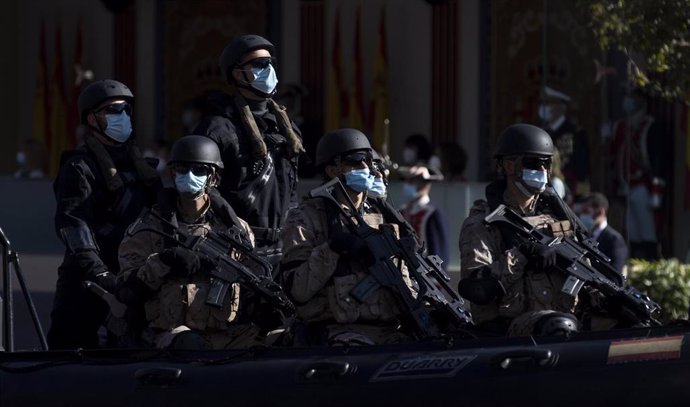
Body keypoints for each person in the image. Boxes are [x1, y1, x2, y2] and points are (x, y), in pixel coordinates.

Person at [115, 135, 263, 350]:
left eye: (199, 170)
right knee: (191, 344)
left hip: (226, 334)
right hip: (170, 335)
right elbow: (127, 289)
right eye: (182, 170)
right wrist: (164, 261)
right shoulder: (150, 227)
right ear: (172, 173)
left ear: (213, 178)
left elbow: (252, 283)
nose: (189, 176)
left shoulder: (237, 230)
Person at [47, 79, 161, 349]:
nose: (121, 116)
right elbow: (74, 224)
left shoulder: (143, 169)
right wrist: (99, 274)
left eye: (125, 110)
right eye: (112, 111)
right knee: (69, 355)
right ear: (92, 119)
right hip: (88, 281)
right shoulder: (79, 167)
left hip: (133, 279)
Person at [280, 128, 414, 346]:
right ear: (333, 170)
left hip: (390, 331)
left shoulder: (382, 215)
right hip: (338, 334)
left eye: (369, 161)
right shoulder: (306, 218)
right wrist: (331, 249)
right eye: (356, 161)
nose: (366, 168)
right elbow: (298, 290)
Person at [458, 123, 588, 337]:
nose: (544, 171)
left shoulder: (558, 220)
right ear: (509, 166)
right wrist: (523, 254)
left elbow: (584, 268)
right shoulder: (484, 223)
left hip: (565, 317)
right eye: (535, 163)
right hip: (508, 328)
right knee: (559, 325)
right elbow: (478, 288)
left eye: (547, 163)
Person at [195, 34, 304, 269]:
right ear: (237, 73)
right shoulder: (218, 127)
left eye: (270, 63)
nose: (269, 69)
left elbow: (292, 186)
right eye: (260, 65)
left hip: (283, 248)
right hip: (236, 248)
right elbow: (202, 187)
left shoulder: (286, 126)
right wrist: (232, 222)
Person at [609, 89, 670, 260]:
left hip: (644, 185)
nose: (629, 101)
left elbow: (659, 159)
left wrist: (657, 191)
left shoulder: (650, 125)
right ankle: (637, 263)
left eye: (633, 98)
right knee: (632, 231)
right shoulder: (621, 126)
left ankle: (651, 260)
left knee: (647, 230)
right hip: (625, 186)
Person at [537, 86, 590, 200]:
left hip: (568, 187)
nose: (545, 108)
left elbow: (582, 165)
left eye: (549, 104)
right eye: (544, 104)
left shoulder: (575, 132)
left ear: (560, 107)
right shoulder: (542, 132)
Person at [398, 166, 450, 271]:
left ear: (425, 185)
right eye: (408, 181)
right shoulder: (401, 211)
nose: (408, 185)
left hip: (428, 278)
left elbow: (440, 253)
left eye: (413, 181)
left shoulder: (433, 213)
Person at [578, 192, 628, 276]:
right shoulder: (584, 235)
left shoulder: (615, 240)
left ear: (600, 212)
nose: (582, 216)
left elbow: (616, 275)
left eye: (586, 212)